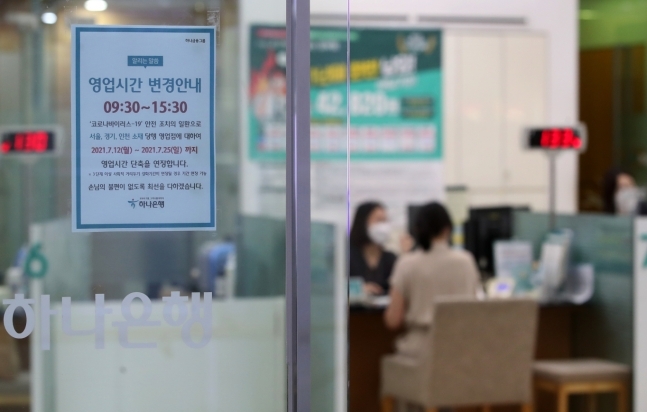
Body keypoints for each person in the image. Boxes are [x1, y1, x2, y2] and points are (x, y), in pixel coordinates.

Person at [384, 202, 482, 357]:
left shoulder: (407, 263)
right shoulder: (466, 261)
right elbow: (475, 309)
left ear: (416, 230)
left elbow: (393, 320)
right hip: (461, 349)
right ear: (448, 229)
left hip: (420, 351)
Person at [349, 202, 397, 296]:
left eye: (385, 221)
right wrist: (358, 289)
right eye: (379, 220)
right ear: (363, 222)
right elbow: (332, 286)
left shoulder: (390, 259)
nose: (383, 227)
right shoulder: (347, 256)